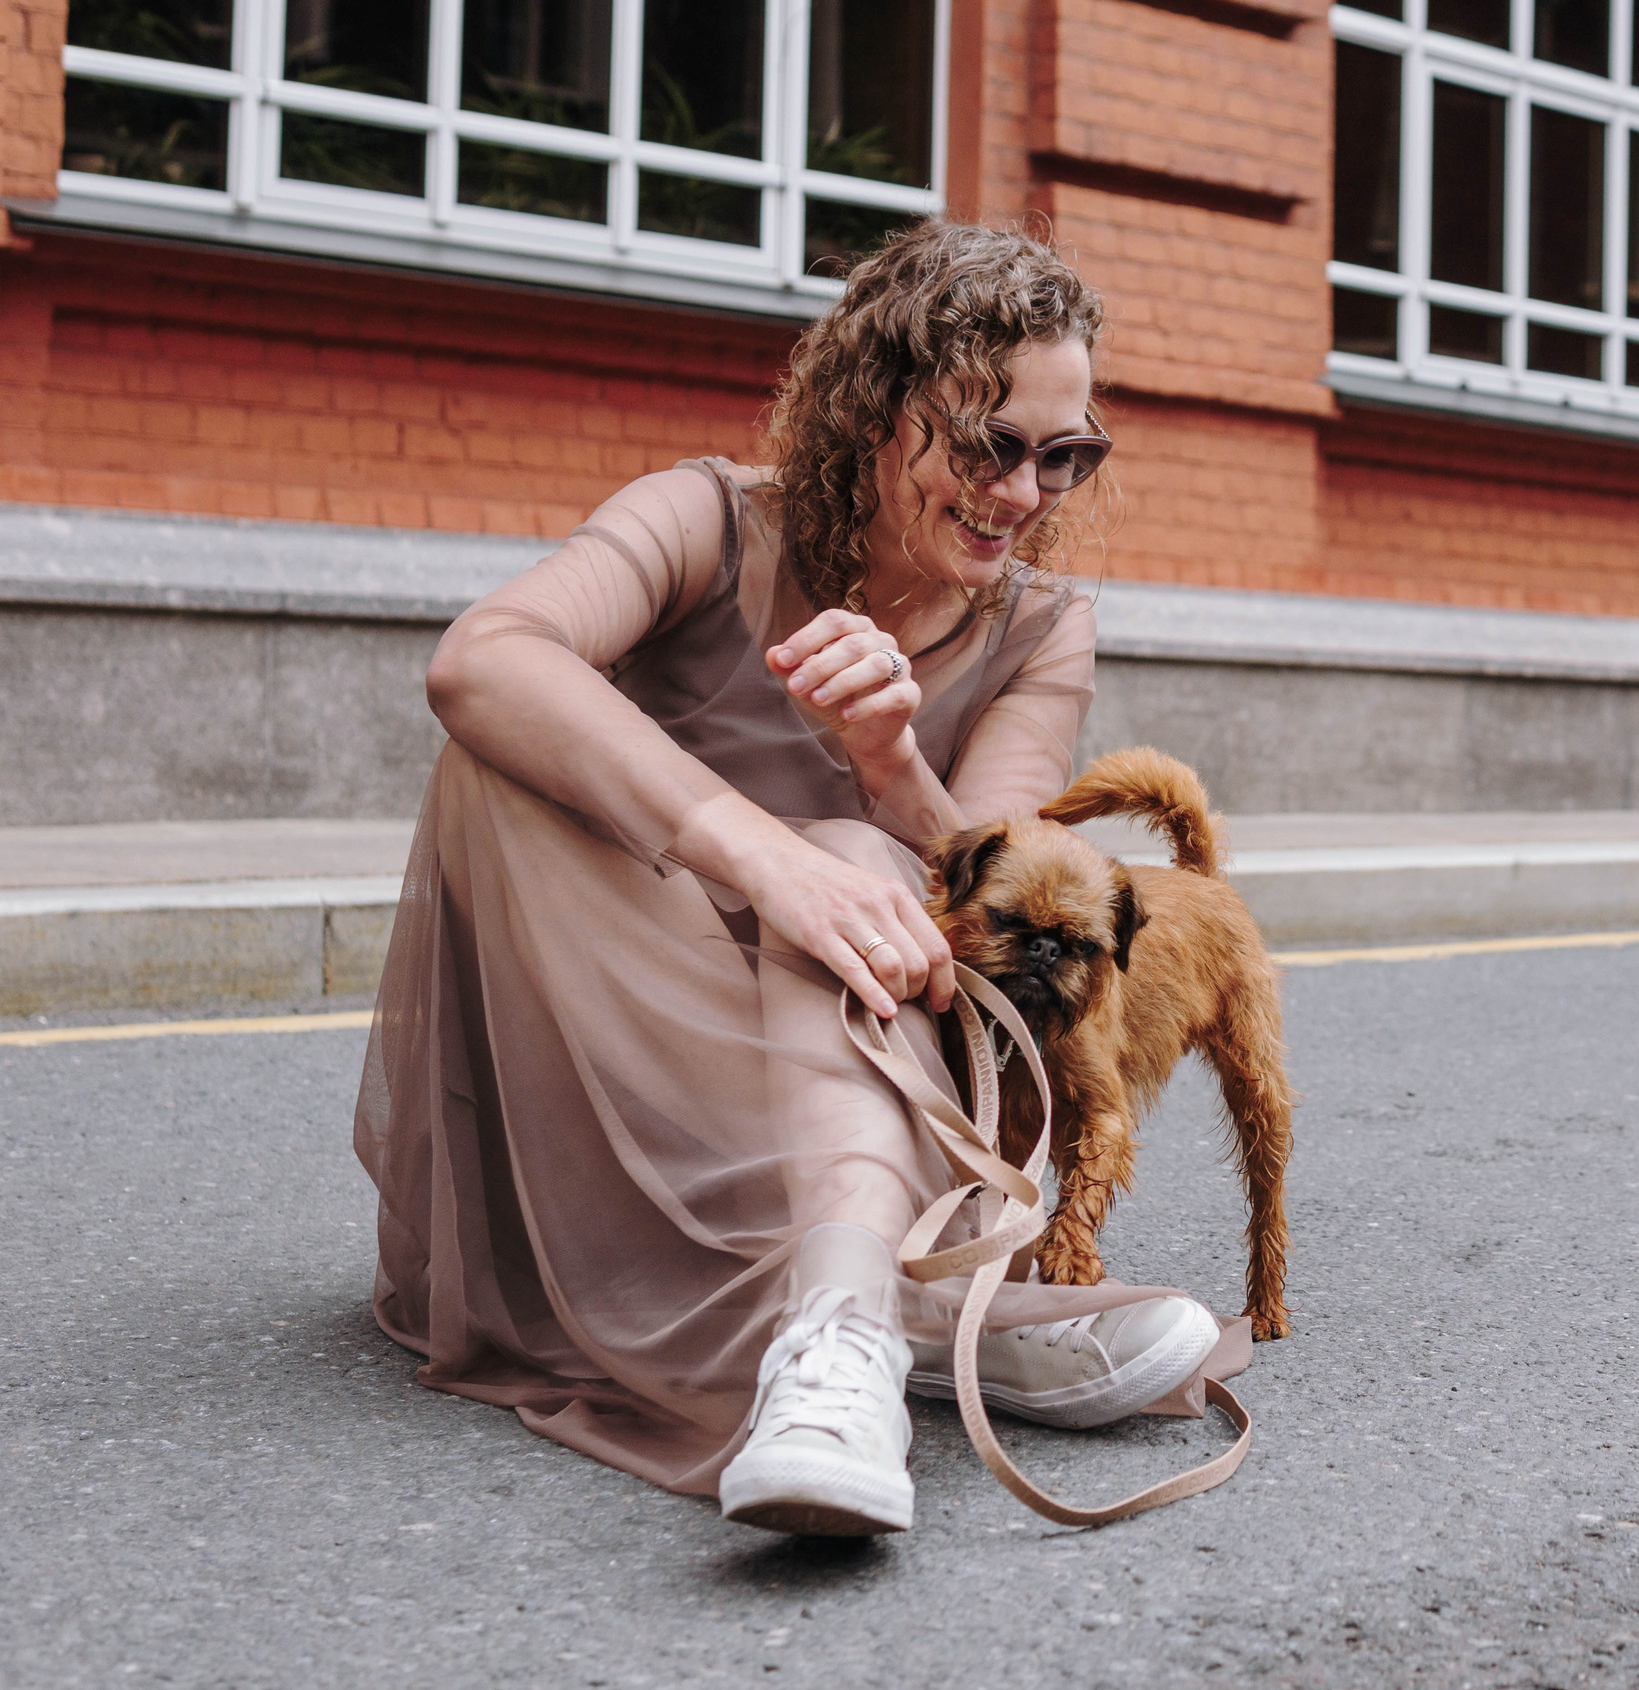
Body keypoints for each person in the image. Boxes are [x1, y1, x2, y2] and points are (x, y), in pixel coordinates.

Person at [352, 221, 1248, 1538]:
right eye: (988, 442)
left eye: (1064, 455)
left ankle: (843, 1334)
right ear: (878, 410)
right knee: (506, 751)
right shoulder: (706, 520)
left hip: (882, 1073)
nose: (1024, 493)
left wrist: (889, 768)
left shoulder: (1042, 629)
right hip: (619, 1085)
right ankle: (927, 1312)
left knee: (864, 856)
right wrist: (763, 856)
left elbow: (1010, 906)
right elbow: (481, 659)